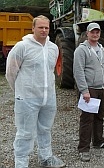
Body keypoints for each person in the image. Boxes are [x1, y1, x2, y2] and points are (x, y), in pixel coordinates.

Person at [5, 15, 66, 168]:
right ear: (33, 28)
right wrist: (20, 92)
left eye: (46, 27)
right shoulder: (22, 47)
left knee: (45, 129)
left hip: (48, 97)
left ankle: (46, 157)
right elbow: (11, 73)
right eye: (40, 27)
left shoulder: (53, 48)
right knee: (25, 133)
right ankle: (21, 162)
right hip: (27, 98)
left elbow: (50, 71)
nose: (44, 30)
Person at [73, 22, 104, 162]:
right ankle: (83, 149)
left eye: (97, 32)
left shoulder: (101, 48)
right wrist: (84, 91)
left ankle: (98, 141)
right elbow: (78, 72)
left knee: (99, 117)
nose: (95, 34)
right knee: (87, 119)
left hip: (102, 88)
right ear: (87, 34)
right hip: (89, 89)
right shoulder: (81, 50)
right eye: (92, 32)